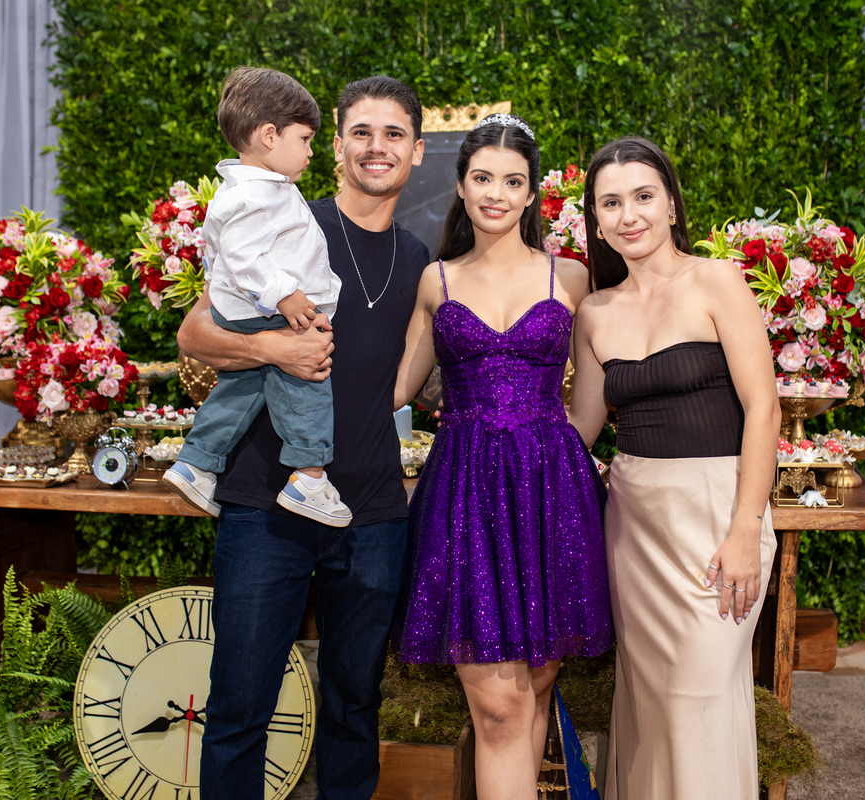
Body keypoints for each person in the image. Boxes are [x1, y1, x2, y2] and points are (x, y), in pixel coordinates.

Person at [178, 75, 428, 800]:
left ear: (416, 151)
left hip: (372, 512)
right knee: (238, 708)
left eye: (393, 134)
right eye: (361, 132)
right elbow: (195, 334)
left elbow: (410, 379)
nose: (377, 147)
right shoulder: (285, 218)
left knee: (355, 705)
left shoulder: (421, 260)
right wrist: (273, 350)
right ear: (337, 146)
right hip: (265, 504)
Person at [393, 114, 612, 800]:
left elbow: (593, 404)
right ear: (461, 185)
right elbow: (395, 388)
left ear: (531, 194)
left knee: (537, 686)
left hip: (551, 494)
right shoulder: (436, 281)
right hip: (463, 497)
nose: (496, 193)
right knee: (498, 707)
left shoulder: (571, 278)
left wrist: (551, 461)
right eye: (483, 178)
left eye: (512, 181)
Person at [567, 137, 780, 799]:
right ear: (595, 218)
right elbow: (581, 428)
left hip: (720, 516)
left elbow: (764, 407)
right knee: (652, 703)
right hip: (635, 525)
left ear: (671, 204)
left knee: (699, 700)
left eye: (643, 196)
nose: (628, 214)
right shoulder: (594, 312)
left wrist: (746, 528)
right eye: (611, 202)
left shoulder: (717, 281)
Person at [165, 66, 352, 527]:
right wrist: (286, 295)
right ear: (270, 135)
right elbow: (243, 255)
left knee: (240, 390)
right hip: (268, 313)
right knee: (308, 383)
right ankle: (310, 477)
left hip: (246, 313)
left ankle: (197, 464)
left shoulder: (260, 189)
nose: (311, 152)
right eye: (305, 139)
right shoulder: (256, 195)